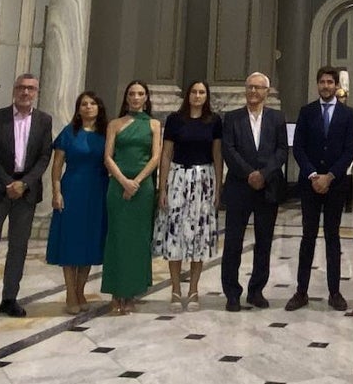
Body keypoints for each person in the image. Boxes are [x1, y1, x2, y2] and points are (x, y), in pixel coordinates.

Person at [0, 74, 53, 322]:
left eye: (30, 88)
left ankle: (9, 298)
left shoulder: (43, 120)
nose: (25, 92)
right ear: (14, 90)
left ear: (36, 92)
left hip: (25, 192)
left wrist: (24, 183)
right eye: (21, 88)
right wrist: (8, 182)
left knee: (18, 247)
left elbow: (44, 156)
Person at [287, 66, 353, 312]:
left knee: (332, 237)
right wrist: (313, 175)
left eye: (330, 82)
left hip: (335, 185)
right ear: (317, 85)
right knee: (308, 237)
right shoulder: (306, 112)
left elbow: (350, 150)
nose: (326, 86)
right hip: (309, 185)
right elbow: (298, 147)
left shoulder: (348, 115)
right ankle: (301, 291)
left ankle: (335, 292)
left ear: (336, 85)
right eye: (322, 82)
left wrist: (329, 177)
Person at [221, 71, 288, 312]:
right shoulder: (231, 118)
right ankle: (231, 292)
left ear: (266, 92)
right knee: (233, 242)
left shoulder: (277, 118)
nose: (253, 92)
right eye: (250, 87)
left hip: (267, 187)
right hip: (240, 186)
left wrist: (264, 173)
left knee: (264, 241)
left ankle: (256, 290)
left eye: (258, 88)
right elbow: (228, 150)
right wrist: (249, 173)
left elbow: (281, 151)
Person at [154, 80, 222, 312]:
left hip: (204, 179)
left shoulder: (214, 121)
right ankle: (175, 289)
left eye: (202, 92)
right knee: (175, 234)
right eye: (194, 91)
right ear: (188, 95)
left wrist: (218, 189)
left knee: (199, 236)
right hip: (178, 178)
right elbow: (166, 154)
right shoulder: (175, 119)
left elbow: (217, 155)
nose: (197, 95)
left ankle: (193, 289)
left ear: (207, 96)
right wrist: (162, 187)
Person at [101, 80, 161, 314]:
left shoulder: (154, 124)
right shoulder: (115, 124)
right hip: (117, 185)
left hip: (143, 186)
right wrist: (124, 181)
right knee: (116, 237)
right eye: (132, 94)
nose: (136, 98)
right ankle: (117, 291)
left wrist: (136, 181)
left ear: (146, 98)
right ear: (126, 98)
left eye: (140, 94)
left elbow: (155, 157)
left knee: (138, 239)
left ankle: (132, 290)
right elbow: (108, 156)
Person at [46, 91, 109, 314]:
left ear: (99, 108)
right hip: (72, 188)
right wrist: (56, 192)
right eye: (84, 104)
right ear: (78, 108)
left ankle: (81, 290)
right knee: (70, 241)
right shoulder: (68, 132)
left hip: (97, 190)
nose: (88, 107)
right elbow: (56, 166)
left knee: (88, 242)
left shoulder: (106, 134)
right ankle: (70, 293)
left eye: (92, 103)